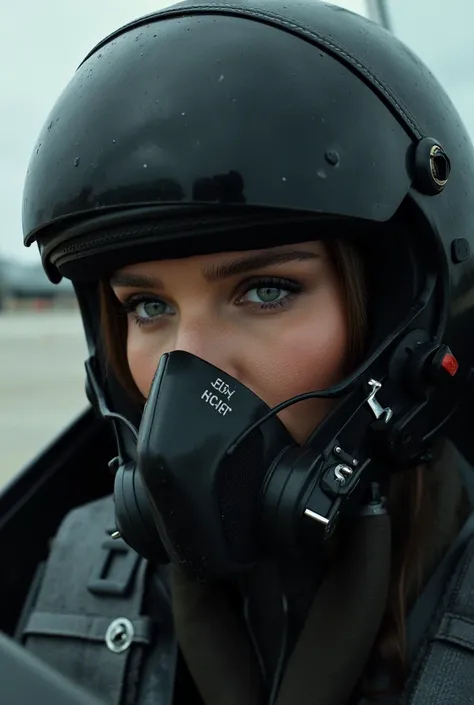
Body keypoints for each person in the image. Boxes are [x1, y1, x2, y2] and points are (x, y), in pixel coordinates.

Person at [18, 0, 474, 703]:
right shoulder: (78, 566)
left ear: (400, 333)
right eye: (147, 305)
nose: (191, 361)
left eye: (265, 290)